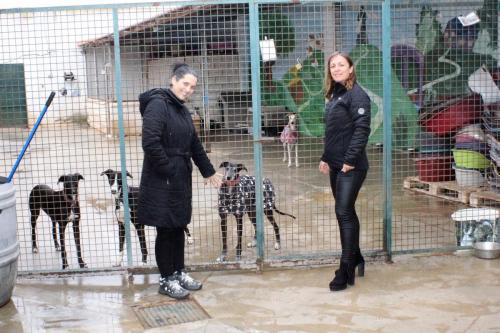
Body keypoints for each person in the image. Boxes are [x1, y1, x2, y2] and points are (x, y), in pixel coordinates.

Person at [137, 63, 221, 300]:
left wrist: (209, 171)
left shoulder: (182, 109)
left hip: (179, 177)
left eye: (192, 87)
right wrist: (168, 169)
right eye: (185, 84)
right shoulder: (158, 104)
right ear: (173, 80)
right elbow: (150, 143)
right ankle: (166, 279)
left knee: (178, 226)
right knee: (165, 228)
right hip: (161, 177)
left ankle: (178, 271)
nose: (188, 90)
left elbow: (194, 144)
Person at [319, 52, 371, 292]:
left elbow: (362, 130)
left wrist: (349, 160)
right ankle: (356, 256)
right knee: (345, 212)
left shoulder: (357, 95)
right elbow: (334, 131)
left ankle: (346, 267)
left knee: (343, 212)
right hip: (336, 164)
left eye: (341, 65)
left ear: (351, 69)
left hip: (352, 166)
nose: (336, 69)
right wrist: (325, 158)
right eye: (333, 66)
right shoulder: (335, 94)